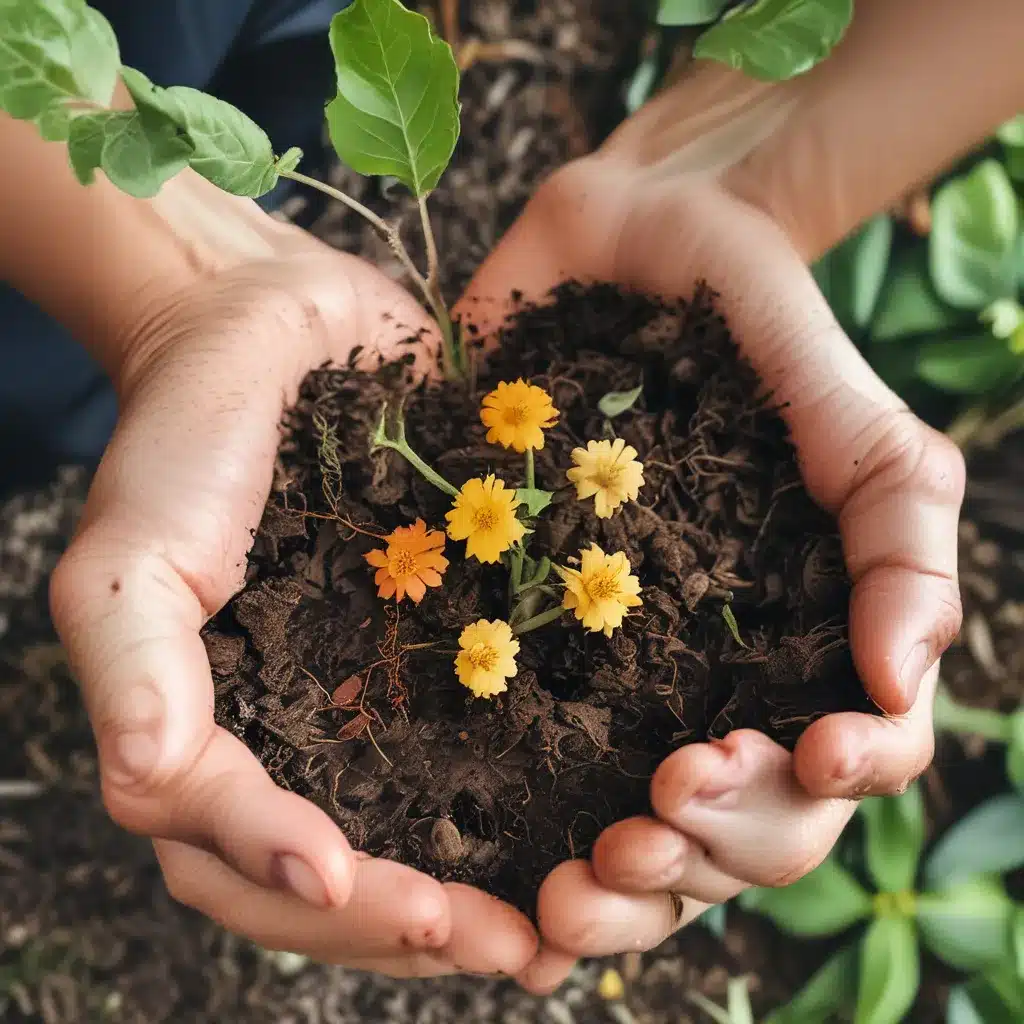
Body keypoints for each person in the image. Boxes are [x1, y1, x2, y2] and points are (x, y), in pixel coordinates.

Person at [3, 0, 1020, 991]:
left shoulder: (571, 548)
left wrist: (733, 168)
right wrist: (158, 280)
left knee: (274, 78)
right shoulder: (498, 519)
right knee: (54, 311)